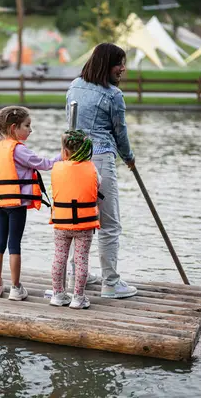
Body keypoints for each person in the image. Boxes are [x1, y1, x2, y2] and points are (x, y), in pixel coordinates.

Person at [65, 42, 137, 299]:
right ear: (107, 64)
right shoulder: (113, 95)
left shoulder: (74, 86)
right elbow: (120, 132)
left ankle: (77, 274)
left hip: (75, 159)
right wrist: (129, 157)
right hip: (100, 159)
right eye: (119, 64)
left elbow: (70, 126)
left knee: (78, 219)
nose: (123, 69)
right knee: (109, 222)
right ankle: (111, 282)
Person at [0, 106, 60, 301]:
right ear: (13, 128)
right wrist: (63, 156)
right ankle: (16, 288)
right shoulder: (18, 149)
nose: (30, 130)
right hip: (16, 204)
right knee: (14, 244)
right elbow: (43, 164)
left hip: (0, 202)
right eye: (27, 126)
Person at [49, 130, 100, 309]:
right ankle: (78, 297)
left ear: (64, 151)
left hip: (62, 223)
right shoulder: (92, 168)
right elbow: (98, 184)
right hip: (84, 225)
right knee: (81, 259)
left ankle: (57, 294)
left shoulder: (57, 168)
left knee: (59, 257)